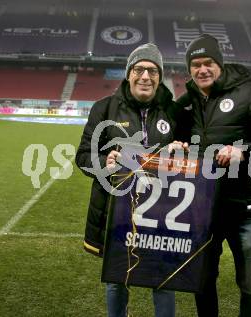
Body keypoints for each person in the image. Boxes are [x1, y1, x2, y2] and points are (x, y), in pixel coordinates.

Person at [180, 34, 251, 317]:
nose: (202, 69)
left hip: (245, 208)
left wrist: (242, 152)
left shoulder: (249, 93)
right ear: (189, 69)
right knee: (203, 281)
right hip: (205, 208)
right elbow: (175, 133)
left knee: (250, 283)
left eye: (208, 63)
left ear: (219, 64)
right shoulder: (188, 101)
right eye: (195, 64)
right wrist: (176, 143)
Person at [76, 43, 187, 317]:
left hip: (161, 213)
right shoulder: (104, 108)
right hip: (118, 212)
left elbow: (194, 158)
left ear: (160, 77)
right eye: (139, 69)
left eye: (152, 70)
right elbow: (83, 156)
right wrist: (104, 163)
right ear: (128, 74)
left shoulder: (175, 113)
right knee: (116, 281)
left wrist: (183, 152)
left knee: (163, 282)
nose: (145, 76)